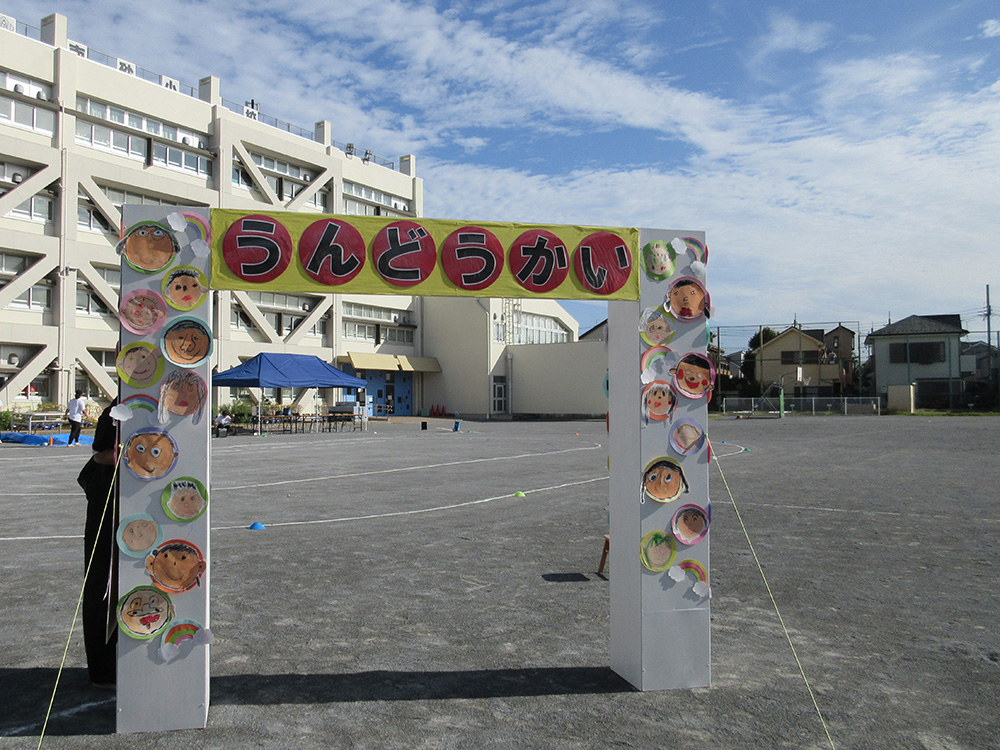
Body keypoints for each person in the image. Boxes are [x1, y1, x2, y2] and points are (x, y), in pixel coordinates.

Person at [76, 399, 119, 688]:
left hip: (138, 506)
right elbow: (102, 455)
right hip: (108, 501)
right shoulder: (118, 409)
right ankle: (103, 668)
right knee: (102, 584)